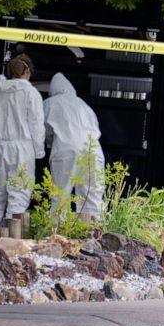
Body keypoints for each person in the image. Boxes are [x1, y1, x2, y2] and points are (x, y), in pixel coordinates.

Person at [0, 53, 45, 225]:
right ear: (27, 72)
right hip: (22, 149)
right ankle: (9, 241)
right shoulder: (31, 93)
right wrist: (39, 152)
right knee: (18, 196)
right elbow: (36, 126)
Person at [43, 72, 105, 218]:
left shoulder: (49, 103)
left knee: (60, 197)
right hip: (93, 151)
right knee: (91, 198)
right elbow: (96, 128)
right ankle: (92, 236)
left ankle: (57, 235)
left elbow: (44, 132)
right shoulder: (83, 104)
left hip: (65, 151)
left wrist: (50, 145)